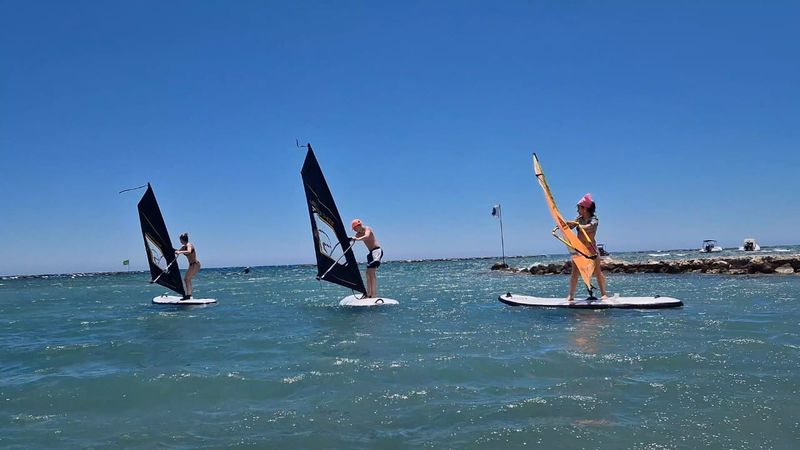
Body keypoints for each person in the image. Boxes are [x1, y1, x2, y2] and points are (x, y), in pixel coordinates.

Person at [565, 194, 608, 301]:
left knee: (597, 272)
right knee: (575, 272)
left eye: (579, 208)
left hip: (591, 249)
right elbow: (570, 226)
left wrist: (580, 226)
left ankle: (603, 294)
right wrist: (563, 224)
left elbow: (590, 226)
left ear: (585, 209)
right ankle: (571, 295)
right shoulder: (578, 219)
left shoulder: (594, 219)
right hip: (579, 249)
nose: (577, 210)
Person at [350, 219, 382, 299]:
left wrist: (357, 239)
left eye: (354, 228)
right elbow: (353, 238)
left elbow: (366, 236)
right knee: (367, 273)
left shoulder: (367, 229)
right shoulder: (358, 234)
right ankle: (368, 294)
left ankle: (373, 295)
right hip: (371, 253)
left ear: (359, 225)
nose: (354, 230)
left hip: (376, 251)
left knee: (371, 273)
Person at [175, 232, 200, 300]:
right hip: (191, 265)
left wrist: (180, 252)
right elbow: (177, 251)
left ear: (182, 240)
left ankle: (188, 295)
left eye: (180, 240)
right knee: (187, 279)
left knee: (187, 279)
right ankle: (189, 294)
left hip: (195, 264)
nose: (180, 241)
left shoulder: (189, 245)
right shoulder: (183, 247)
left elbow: (189, 251)